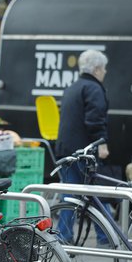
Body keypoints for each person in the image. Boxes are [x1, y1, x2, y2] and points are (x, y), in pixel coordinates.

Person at [55, 49, 111, 245]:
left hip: (65, 149)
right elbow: (95, 120)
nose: (105, 72)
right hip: (83, 150)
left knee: (69, 194)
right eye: (104, 69)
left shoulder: (72, 87)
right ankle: (106, 237)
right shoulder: (94, 89)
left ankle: (64, 236)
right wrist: (102, 143)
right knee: (96, 192)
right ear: (96, 69)